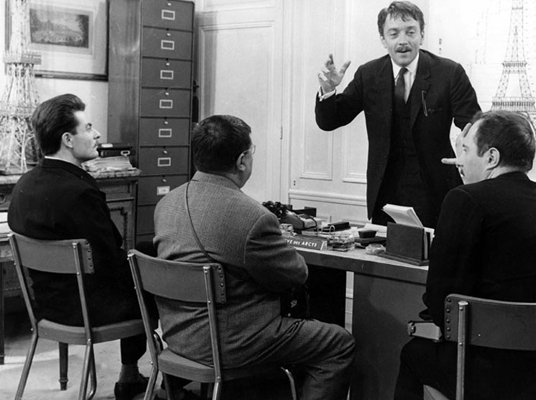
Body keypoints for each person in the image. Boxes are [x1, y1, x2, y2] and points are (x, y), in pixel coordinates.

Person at [393, 110, 536, 400]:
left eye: (466, 150)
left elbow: (441, 306)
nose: (460, 161)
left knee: (414, 352)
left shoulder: (465, 199)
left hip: (492, 378)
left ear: (491, 157)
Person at [153, 115, 355, 400]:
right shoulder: (253, 217)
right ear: (241, 161)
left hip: (178, 336)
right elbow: (296, 275)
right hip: (232, 343)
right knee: (338, 343)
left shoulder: (166, 204)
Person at [8, 93, 155, 400]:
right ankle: (142, 374)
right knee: (151, 265)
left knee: (141, 257)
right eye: (88, 128)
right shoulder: (79, 191)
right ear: (68, 140)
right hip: (86, 310)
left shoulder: (24, 184)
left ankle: (131, 375)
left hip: (46, 307)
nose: (96, 134)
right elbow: (110, 260)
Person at [315, 1, 480, 228]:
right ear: (383, 40)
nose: (403, 41)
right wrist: (328, 91)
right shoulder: (368, 74)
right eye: (393, 34)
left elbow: (474, 125)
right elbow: (330, 121)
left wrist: (467, 153)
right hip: (385, 195)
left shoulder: (449, 73)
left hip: (436, 192)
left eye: (410, 32)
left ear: (422, 35)